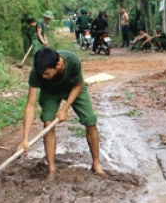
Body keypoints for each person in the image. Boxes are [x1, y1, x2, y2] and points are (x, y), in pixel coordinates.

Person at [17, 48, 105, 176]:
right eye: (41, 73)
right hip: (49, 91)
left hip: (73, 87)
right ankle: (51, 169)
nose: (43, 76)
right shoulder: (37, 72)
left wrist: (65, 108)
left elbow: (79, 84)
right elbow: (30, 105)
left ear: (57, 65)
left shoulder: (73, 61)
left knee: (90, 121)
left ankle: (96, 163)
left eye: (46, 73)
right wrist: (25, 138)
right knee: (48, 124)